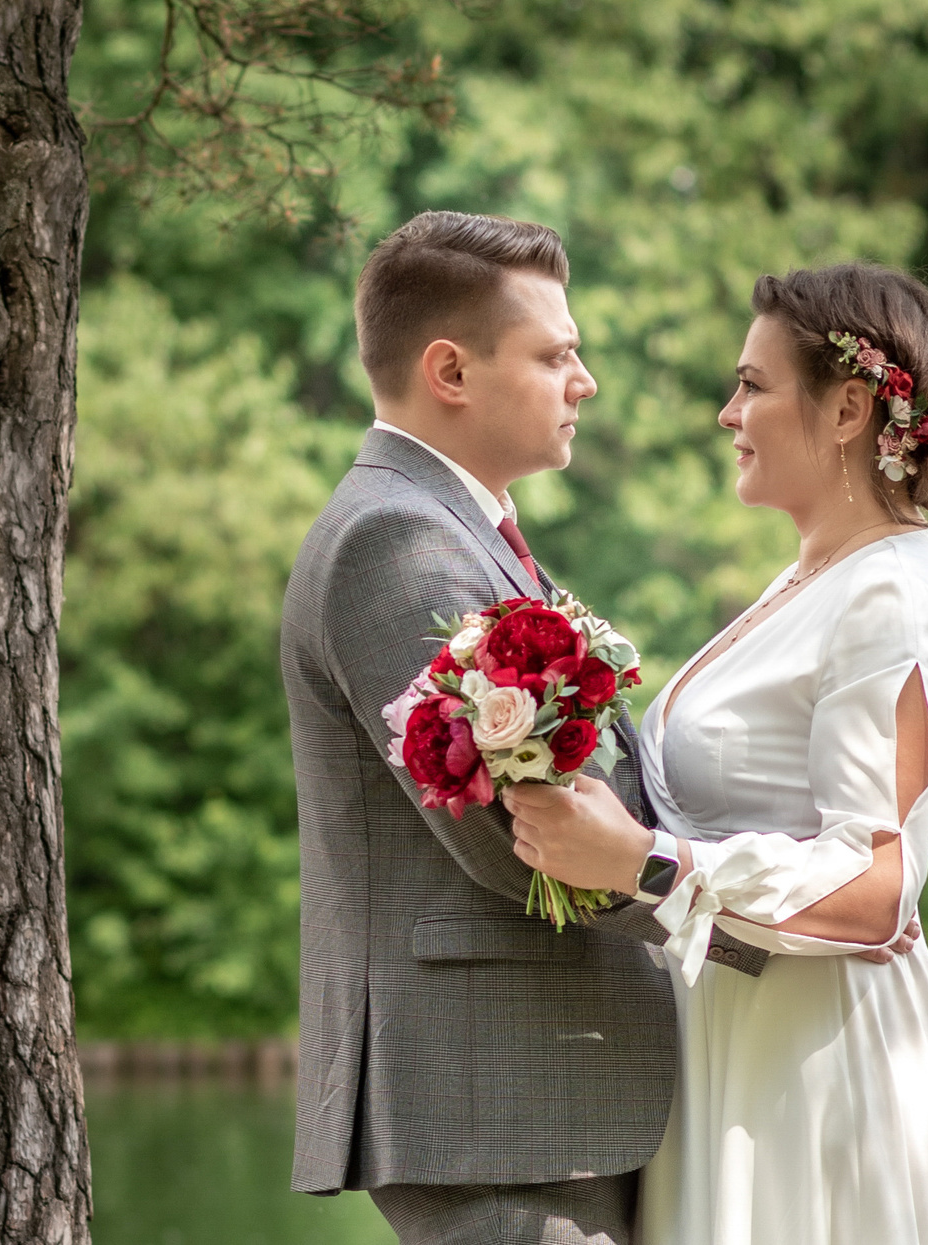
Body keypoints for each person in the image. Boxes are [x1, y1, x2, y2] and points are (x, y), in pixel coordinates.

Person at [281, 210, 778, 1245]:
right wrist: (753, 933)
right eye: (556, 353)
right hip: (500, 1102)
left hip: (535, 1099)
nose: (583, 379)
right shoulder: (399, 540)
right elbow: (524, 838)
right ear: (451, 370)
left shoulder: (458, 527)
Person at [507, 261, 928, 1245]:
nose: (727, 411)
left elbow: (876, 888)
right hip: (737, 1048)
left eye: (753, 383)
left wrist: (643, 863)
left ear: (847, 410)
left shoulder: (891, 594)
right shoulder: (810, 576)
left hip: (818, 1073)